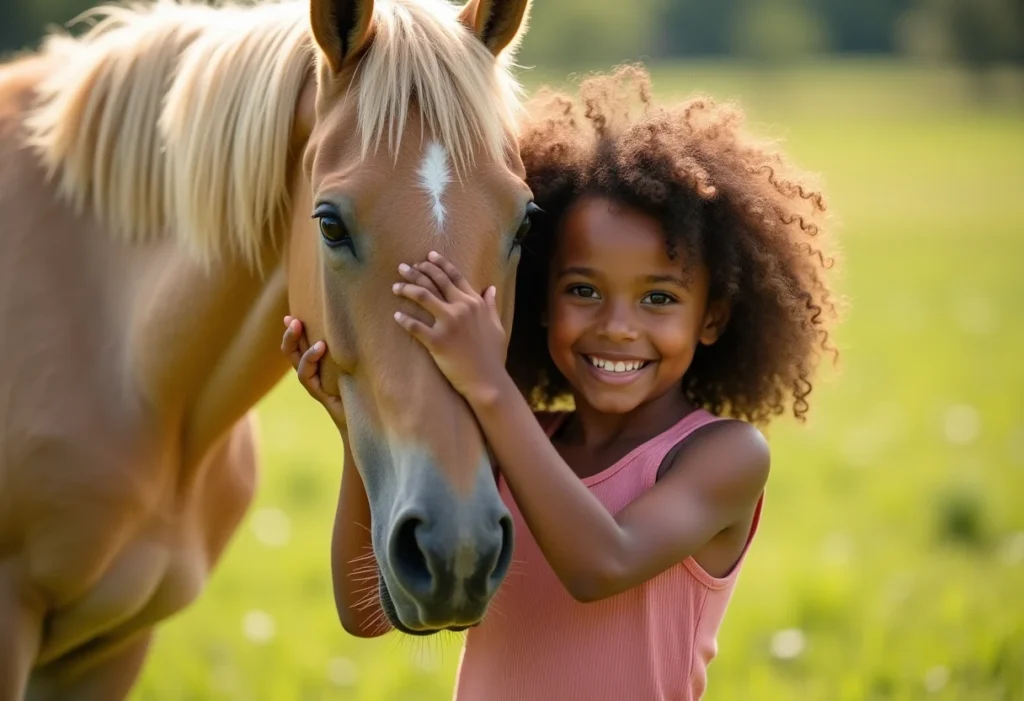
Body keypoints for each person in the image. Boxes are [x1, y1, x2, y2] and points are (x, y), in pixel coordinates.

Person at [281, 65, 839, 700]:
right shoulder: (512, 440)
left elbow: (603, 563)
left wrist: (490, 384)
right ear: (542, 300)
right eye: (583, 291)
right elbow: (368, 615)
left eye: (658, 298)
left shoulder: (724, 456)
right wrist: (352, 425)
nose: (617, 328)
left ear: (711, 317)